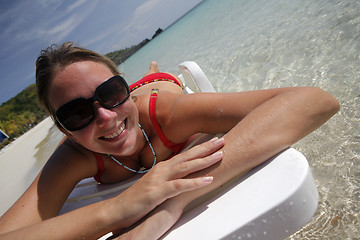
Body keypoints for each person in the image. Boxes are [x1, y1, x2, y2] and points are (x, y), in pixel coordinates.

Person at [0, 42, 339, 239]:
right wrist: (120, 207)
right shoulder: (74, 155)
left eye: (112, 91)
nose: (104, 116)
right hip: (134, 102)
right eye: (77, 114)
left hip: (158, 87)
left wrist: (175, 199)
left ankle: (147, 73)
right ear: (64, 131)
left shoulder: (168, 114)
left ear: (123, 89)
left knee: (152, 75)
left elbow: (316, 100)